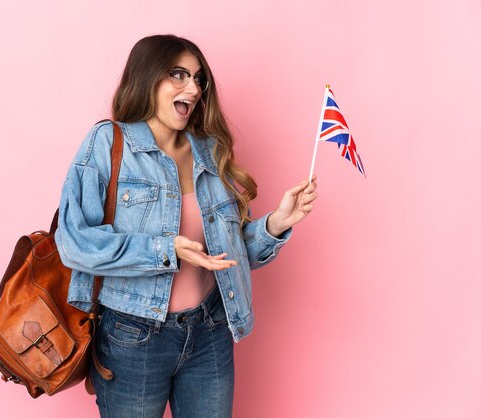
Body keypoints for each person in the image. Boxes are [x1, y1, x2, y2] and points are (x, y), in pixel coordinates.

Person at [55, 34, 318, 418]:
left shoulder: (209, 150)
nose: (192, 88)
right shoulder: (107, 144)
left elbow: (227, 255)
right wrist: (167, 250)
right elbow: (76, 244)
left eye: (198, 79)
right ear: (147, 78)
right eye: (178, 75)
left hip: (210, 331)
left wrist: (277, 224)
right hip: (133, 337)